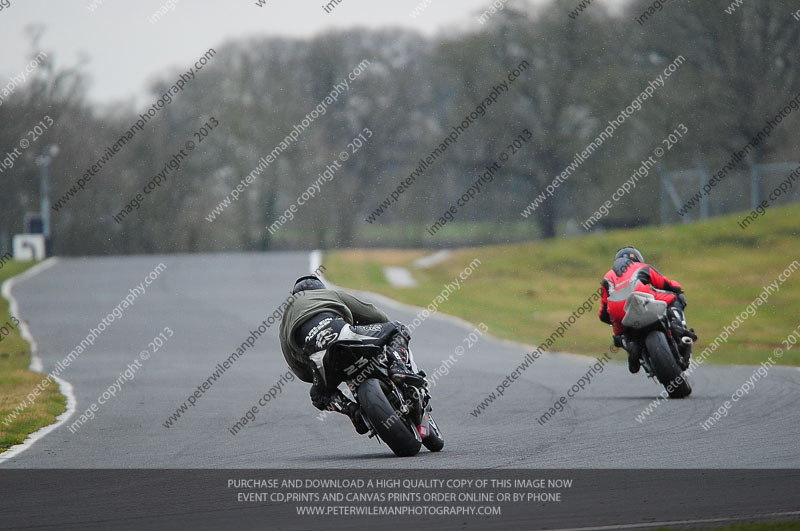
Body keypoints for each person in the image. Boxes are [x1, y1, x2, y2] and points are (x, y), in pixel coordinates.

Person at [279, 274, 426, 434]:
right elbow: (374, 314)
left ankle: (353, 411)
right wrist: (381, 334)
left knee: (318, 394)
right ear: (320, 289)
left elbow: (296, 366)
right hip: (345, 333)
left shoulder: (285, 321)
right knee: (397, 328)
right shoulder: (330, 294)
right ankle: (398, 367)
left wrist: (317, 376)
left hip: (320, 357)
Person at [598, 247, 697, 373]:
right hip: (641, 299)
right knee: (674, 298)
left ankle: (629, 345)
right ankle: (679, 327)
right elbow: (665, 283)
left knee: (618, 332)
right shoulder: (642, 267)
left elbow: (603, 314)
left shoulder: (607, 278)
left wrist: (615, 327)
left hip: (618, 311)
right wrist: (677, 288)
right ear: (638, 259)